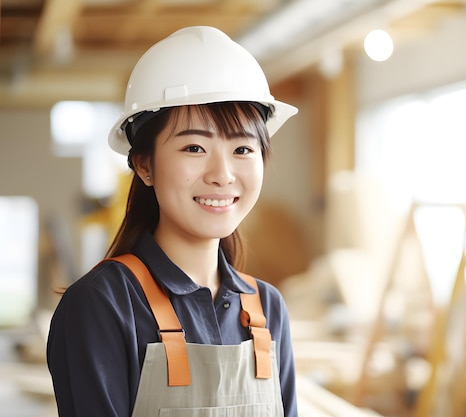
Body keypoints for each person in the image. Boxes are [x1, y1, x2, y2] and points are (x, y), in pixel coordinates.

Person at [47, 26, 299, 417]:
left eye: (243, 148)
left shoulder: (267, 309)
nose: (223, 173)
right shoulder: (103, 305)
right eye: (194, 147)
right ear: (144, 165)